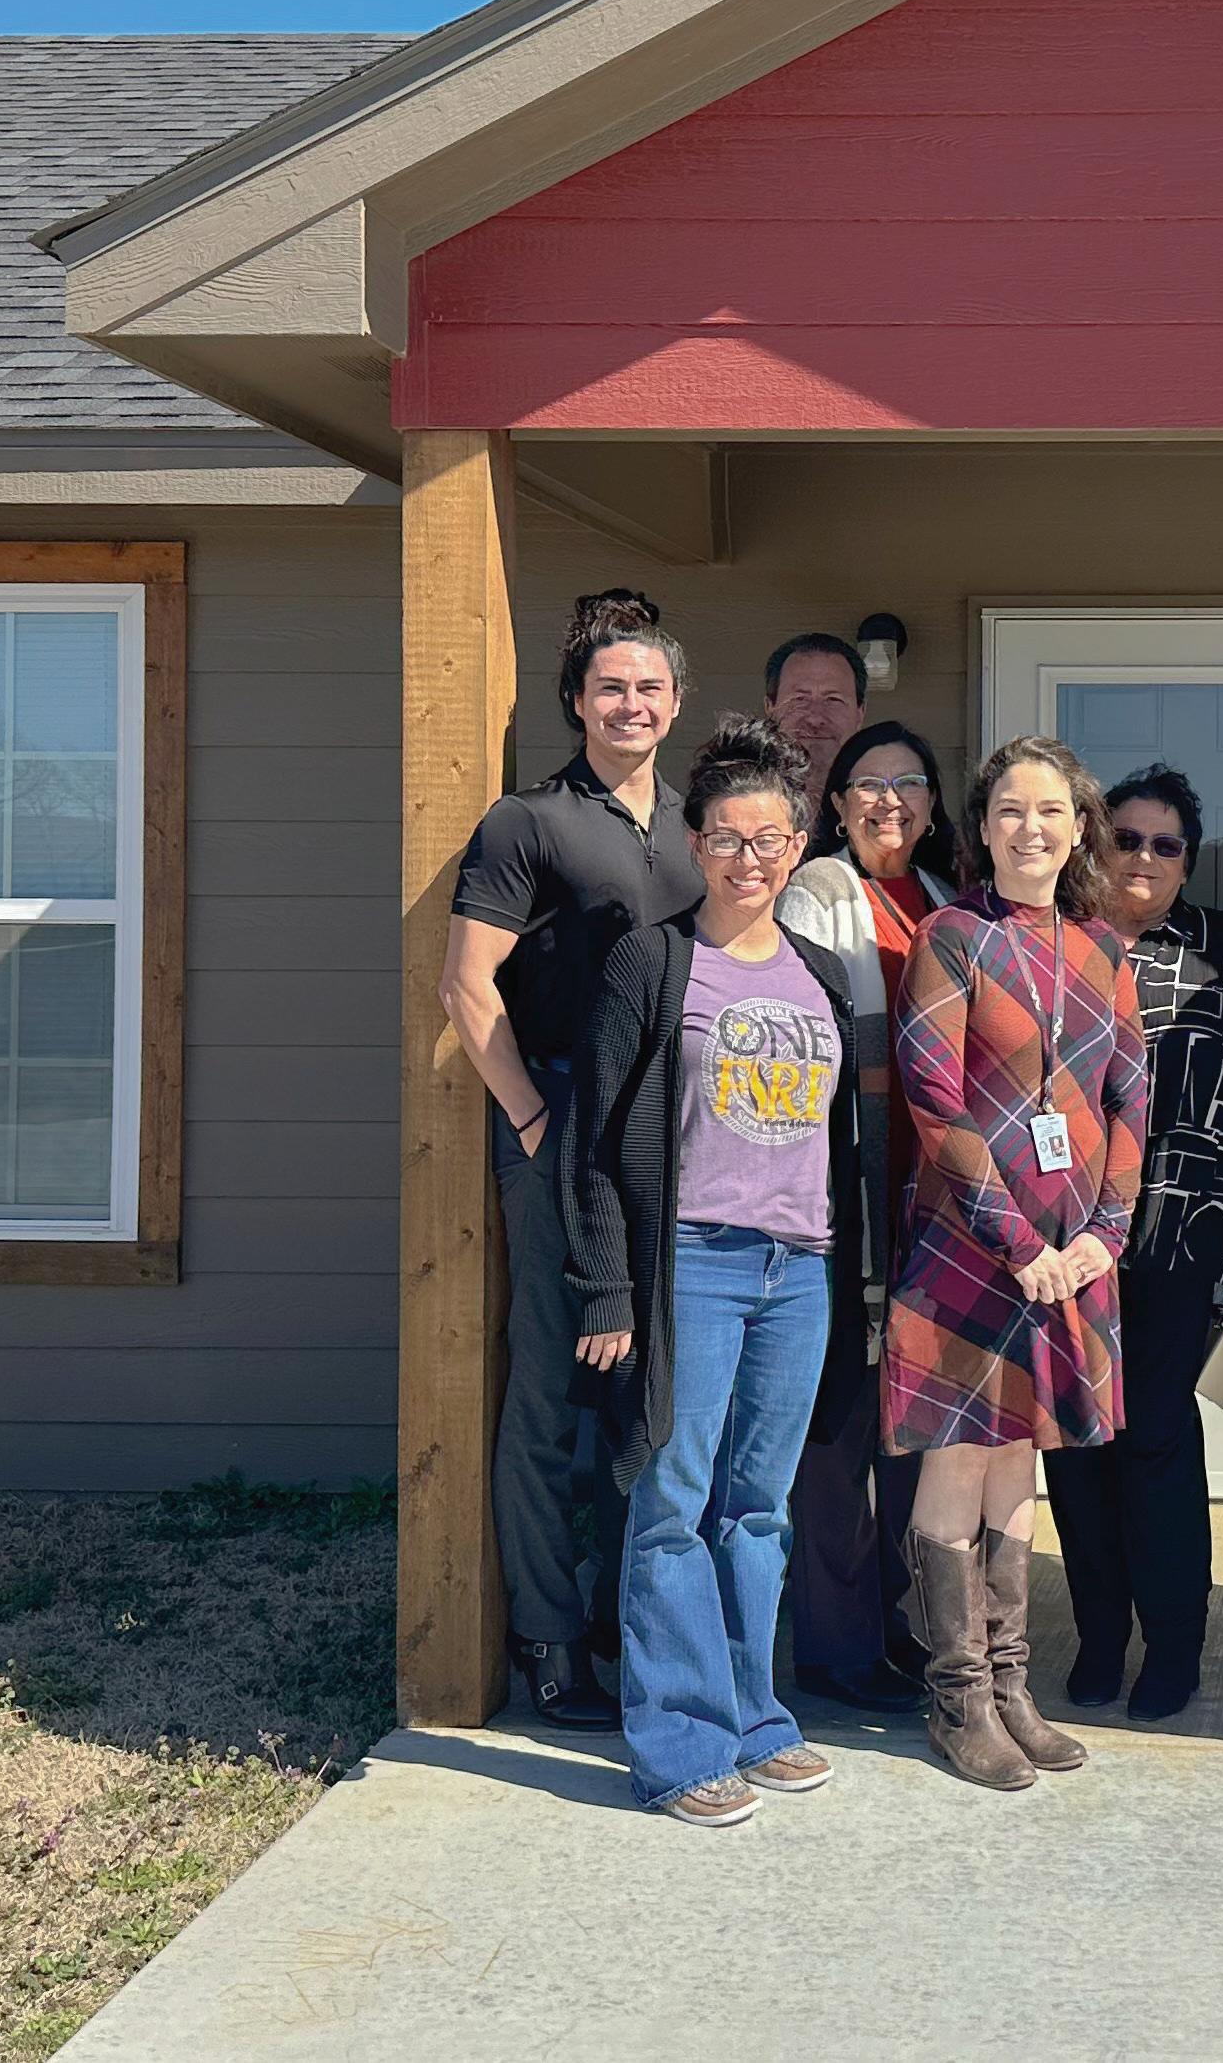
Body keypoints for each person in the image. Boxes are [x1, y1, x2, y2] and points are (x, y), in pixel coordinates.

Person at [560, 717, 882, 1828]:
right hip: (690, 1266)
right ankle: (679, 1746)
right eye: (728, 838)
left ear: (797, 846)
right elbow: (593, 1140)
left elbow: (840, 1145)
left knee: (759, 1509)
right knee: (670, 1504)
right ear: (695, 844)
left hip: (799, 1271)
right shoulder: (653, 962)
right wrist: (606, 1289)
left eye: (770, 839)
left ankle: (756, 1720)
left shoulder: (822, 975)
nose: (750, 858)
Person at [439, 589, 701, 1732]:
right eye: (610, 688)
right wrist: (535, 1122)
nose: (630, 704)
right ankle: (547, 1638)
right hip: (556, 1130)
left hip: (674, 1143)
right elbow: (465, 986)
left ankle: (623, 1623)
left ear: (676, 704)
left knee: (646, 1393)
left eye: (649, 687)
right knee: (552, 1389)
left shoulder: (699, 828)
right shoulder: (527, 823)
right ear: (576, 702)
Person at [885, 736, 1152, 1791]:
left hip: (1071, 1257)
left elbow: (1131, 1101)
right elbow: (934, 1102)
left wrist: (1101, 1236)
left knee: (1020, 1462)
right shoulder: (950, 938)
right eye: (1009, 810)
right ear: (982, 827)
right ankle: (957, 1698)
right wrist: (1020, 1240)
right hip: (970, 1247)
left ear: (1078, 828)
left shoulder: (1103, 951)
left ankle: (1009, 1687)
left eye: (1049, 811)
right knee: (959, 1459)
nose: (1029, 829)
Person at [1043, 764, 1223, 1722]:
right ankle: (1100, 1637)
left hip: (1184, 1228)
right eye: (1126, 838)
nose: (1142, 857)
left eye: (1165, 843)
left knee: (1153, 1434)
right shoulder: (1052, 942)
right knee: (1077, 1441)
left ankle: (1174, 1647)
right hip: (1063, 1231)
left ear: (1187, 860)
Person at [769, 722, 964, 1715]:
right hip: (842, 1193)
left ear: (931, 804)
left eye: (908, 782)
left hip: (929, 1200)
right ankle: (836, 1647)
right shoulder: (817, 891)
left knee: (910, 1429)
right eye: (868, 785)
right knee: (839, 1427)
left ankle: (899, 1626)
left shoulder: (944, 898)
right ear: (837, 805)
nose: (889, 800)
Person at [762, 631, 868, 774]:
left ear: (860, 714)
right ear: (770, 708)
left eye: (833, 699)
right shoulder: (737, 787)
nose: (815, 719)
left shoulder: (888, 787)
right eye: (799, 699)